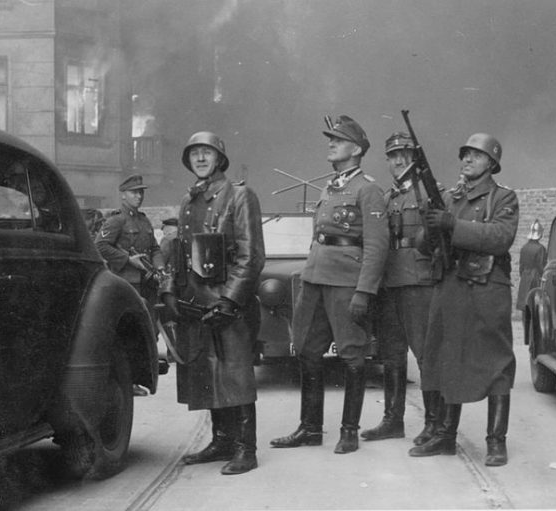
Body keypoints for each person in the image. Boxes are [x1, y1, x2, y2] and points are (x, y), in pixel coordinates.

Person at [270, 115, 388, 454]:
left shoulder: (368, 189)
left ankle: (349, 431)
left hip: (346, 283)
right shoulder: (331, 187)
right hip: (315, 279)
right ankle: (310, 428)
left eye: (337, 140)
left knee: (352, 355)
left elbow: (377, 247)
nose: (330, 144)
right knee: (307, 350)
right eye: (330, 139)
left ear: (356, 149)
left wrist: (364, 291)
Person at [409, 132, 519, 467]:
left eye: (475, 155)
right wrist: (431, 227)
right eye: (465, 155)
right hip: (451, 286)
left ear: (491, 163)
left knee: (496, 364)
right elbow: (421, 245)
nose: (466, 160)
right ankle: (445, 435)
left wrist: (451, 224)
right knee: (446, 358)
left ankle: (496, 443)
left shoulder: (503, 197)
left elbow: (500, 237)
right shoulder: (451, 197)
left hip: (487, 287)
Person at [160, 131, 265, 476]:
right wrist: (170, 291)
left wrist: (230, 300)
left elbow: (251, 258)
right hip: (195, 300)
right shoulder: (189, 200)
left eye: (207, 153)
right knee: (207, 371)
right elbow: (178, 252)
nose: (200, 159)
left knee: (235, 373)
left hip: (226, 301)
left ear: (220, 158)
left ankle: (245, 449)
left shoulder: (239, 196)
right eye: (194, 154)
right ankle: (221, 440)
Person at [360, 132, 437, 444]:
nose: (399, 160)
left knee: (425, 354)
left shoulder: (429, 194)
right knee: (391, 355)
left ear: (415, 157)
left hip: (419, 282)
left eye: (405, 154)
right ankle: (393, 420)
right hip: (390, 284)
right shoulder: (388, 198)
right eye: (393, 156)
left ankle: (434, 423)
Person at [96, 174, 165, 397]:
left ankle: (140, 377)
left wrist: (160, 267)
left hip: (147, 283)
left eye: (141, 192)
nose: (139, 196)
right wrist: (127, 259)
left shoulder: (144, 221)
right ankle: (127, 382)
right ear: (123, 195)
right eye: (134, 192)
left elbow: (154, 248)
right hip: (128, 284)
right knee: (129, 331)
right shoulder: (116, 221)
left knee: (149, 331)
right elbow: (101, 246)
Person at [516, 219, 547, 317]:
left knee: (525, 304)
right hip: (535, 276)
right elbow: (541, 265)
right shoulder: (540, 248)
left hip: (525, 276)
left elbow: (521, 266)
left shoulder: (524, 247)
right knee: (534, 303)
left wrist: (524, 275)